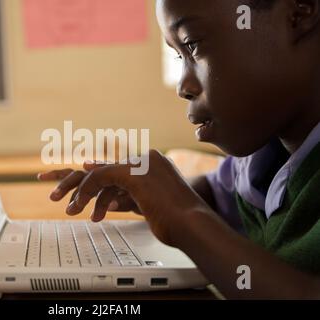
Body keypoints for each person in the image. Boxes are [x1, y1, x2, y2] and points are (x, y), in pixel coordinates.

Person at [38, 0, 320, 299]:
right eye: (178, 56)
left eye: (193, 45)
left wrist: (185, 215)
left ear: (297, 13)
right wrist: (156, 195)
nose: (183, 85)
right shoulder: (263, 155)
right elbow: (219, 194)